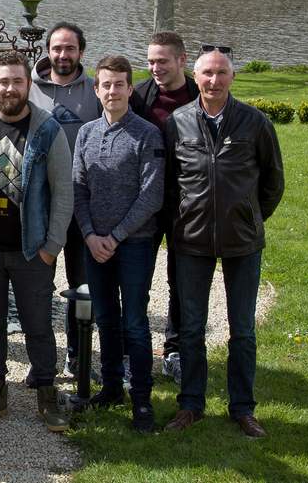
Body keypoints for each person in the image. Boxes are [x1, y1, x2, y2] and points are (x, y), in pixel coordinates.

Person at [163, 48, 284, 438]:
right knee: (192, 329)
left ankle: (243, 408)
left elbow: (272, 182)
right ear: (195, 76)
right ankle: (191, 405)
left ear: (233, 77)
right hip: (192, 240)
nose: (214, 81)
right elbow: (168, 183)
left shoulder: (254, 122)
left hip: (242, 242)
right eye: (207, 74)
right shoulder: (177, 122)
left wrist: (248, 216)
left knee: (242, 329)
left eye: (221, 73)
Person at [0, 51, 72, 433]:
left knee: (38, 325)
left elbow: (63, 192)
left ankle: (47, 394)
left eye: (17, 81)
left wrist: (51, 246)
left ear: (28, 84)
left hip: (31, 249)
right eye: (3, 81)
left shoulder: (48, 130)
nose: (10, 88)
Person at [72, 55, 164, 434]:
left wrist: (116, 235)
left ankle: (141, 399)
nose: (113, 90)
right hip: (96, 244)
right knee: (105, 318)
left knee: (136, 322)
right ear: (97, 90)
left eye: (120, 84)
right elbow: (78, 188)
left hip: (135, 243)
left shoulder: (147, 134)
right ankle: (111, 388)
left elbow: (152, 194)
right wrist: (91, 235)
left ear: (130, 88)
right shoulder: (86, 134)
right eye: (106, 84)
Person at [28, 21, 100, 377]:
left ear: (81, 52)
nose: (62, 55)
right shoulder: (30, 89)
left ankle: (77, 355)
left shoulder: (96, 90)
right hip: (42, 204)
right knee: (38, 285)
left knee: (82, 285)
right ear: (48, 51)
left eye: (70, 49)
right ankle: (41, 361)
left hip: (83, 205)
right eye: (57, 48)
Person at [130, 31, 199, 385]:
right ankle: (134, 350)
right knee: (137, 278)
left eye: (163, 61)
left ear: (182, 61)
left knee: (181, 279)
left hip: (187, 205)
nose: (155, 68)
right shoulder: (140, 95)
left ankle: (174, 348)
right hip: (145, 202)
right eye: (151, 61)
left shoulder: (200, 96)